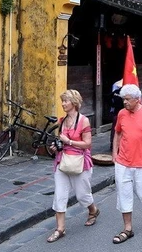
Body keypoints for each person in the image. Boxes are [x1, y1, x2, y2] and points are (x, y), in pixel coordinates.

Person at [112, 84, 142, 244]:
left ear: (137, 99)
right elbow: (118, 133)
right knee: (123, 194)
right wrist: (114, 152)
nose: (124, 102)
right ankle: (127, 228)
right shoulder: (121, 114)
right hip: (123, 162)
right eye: (123, 99)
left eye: (127, 99)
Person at [47, 89, 97, 243]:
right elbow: (60, 142)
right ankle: (60, 229)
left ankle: (93, 210)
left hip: (80, 162)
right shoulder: (62, 121)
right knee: (59, 195)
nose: (63, 104)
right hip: (63, 161)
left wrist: (69, 142)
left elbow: (87, 144)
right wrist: (57, 147)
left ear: (74, 103)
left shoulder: (84, 121)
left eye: (65, 101)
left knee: (82, 195)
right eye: (62, 101)